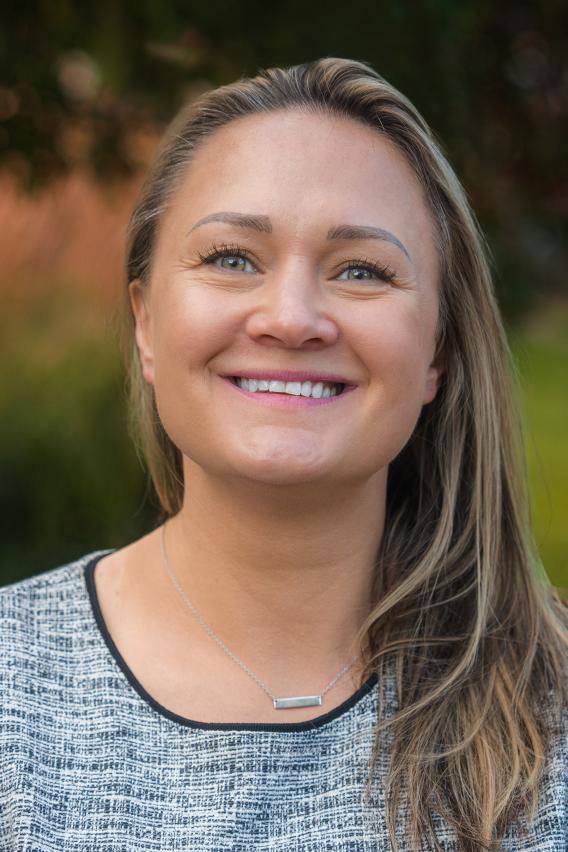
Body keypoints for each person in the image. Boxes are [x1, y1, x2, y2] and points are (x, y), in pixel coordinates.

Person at [0, 57, 566, 852]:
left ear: (437, 351)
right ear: (146, 323)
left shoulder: (555, 707)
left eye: (362, 271)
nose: (291, 318)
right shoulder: (11, 685)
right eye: (232, 258)